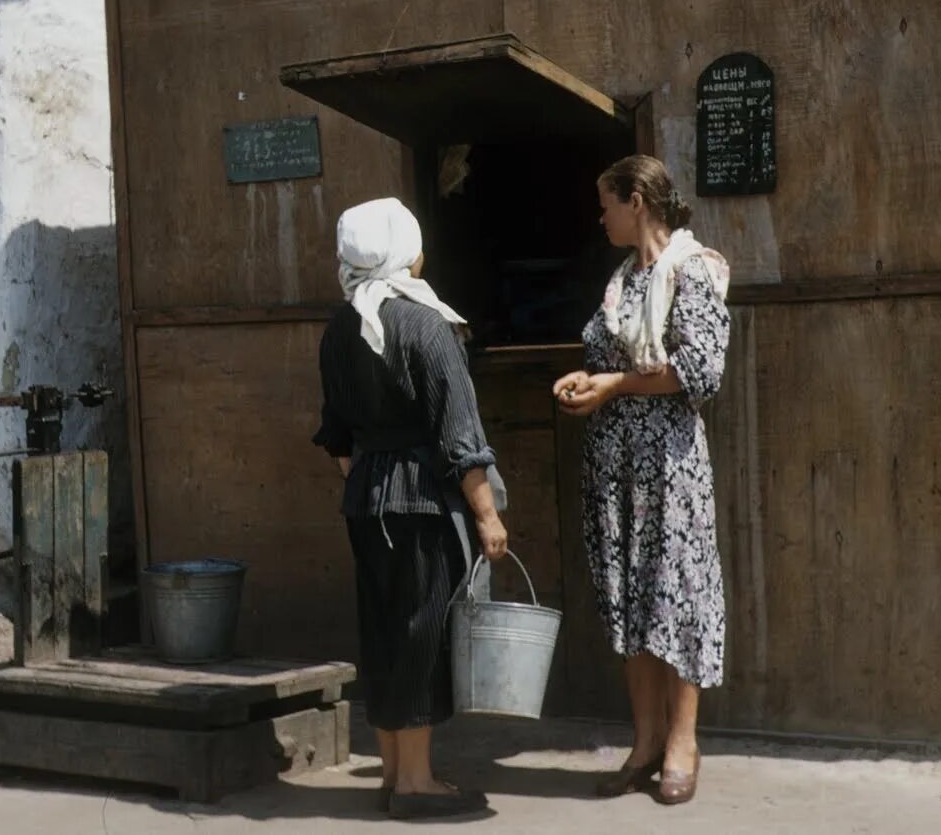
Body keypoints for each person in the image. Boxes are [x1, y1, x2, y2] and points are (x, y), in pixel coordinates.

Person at [313, 197, 509, 821]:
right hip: (423, 502)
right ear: (404, 251)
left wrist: (371, 480)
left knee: (384, 630)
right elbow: (459, 438)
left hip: (366, 500)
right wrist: (488, 516)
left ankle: (394, 772)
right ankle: (419, 783)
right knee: (423, 631)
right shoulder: (427, 325)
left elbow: (337, 437)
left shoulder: (341, 328)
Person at [552, 155, 730, 807]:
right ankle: (646, 739)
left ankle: (684, 742)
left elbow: (701, 370)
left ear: (637, 201)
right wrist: (586, 380)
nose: (600, 217)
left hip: (671, 463)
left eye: (607, 204)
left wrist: (616, 384)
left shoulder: (692, 270)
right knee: (632, 594)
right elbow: (609, 357)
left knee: (677, 594)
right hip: (618, 461)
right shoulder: (624, 281)